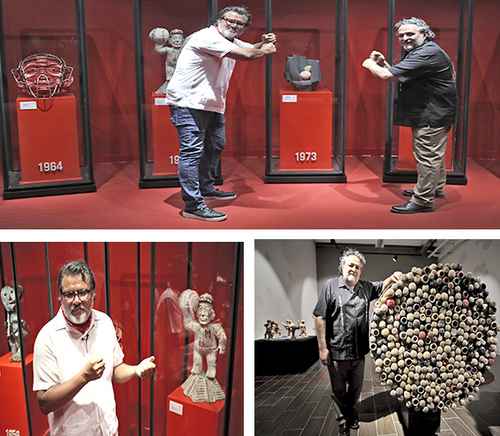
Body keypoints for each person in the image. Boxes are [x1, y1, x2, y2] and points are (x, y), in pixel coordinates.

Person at [166, 5, 277, 222]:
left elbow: (250, 47)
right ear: (219, 20)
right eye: (230, 20)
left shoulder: (229, 41)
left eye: (239, 24)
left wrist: (264, 42)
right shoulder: (206, 37)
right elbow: (248, 54)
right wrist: (264, 50)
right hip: (189, 103)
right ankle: (192, 205)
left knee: (215, 145)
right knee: (191, 152)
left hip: (210, 104)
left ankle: (205, 187)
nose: (234, 25)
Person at [33, 260, 156, 436]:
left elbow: (115, 370)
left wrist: (136, 370)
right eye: (69, 294)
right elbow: (44, 403)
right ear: (59, 297)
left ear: (93, 294)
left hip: (109, 430)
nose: (76, 300)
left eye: (82, 292)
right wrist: (83, 377)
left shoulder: (105, 323)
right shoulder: (47, 337)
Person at [362, 17, 457, 214]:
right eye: (401, 35)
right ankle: (435, 188)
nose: (405, 38)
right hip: (434, 111)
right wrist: (384, 63)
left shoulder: (426, 53)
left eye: (410, 34)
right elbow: (402, 74)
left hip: (432, 114)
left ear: (424, 33)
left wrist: (369, 64)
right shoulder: (421, 51)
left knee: (427, 156)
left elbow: (386, 76)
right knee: (433, 154)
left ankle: (422, 200)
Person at [313, 249, 401, 436]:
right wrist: (322, 348)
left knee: (355, 389)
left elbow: (381, 286)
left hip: (359, 352)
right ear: (342, 266)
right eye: (350, 265)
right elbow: (320, 317)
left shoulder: (365, 288)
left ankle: (351, 414)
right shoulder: (330, 286)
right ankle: (343, 420)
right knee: (338, 390)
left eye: (358, 267)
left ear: (361, 271)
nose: (354, 269)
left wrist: (392, 277)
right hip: (336, 352)